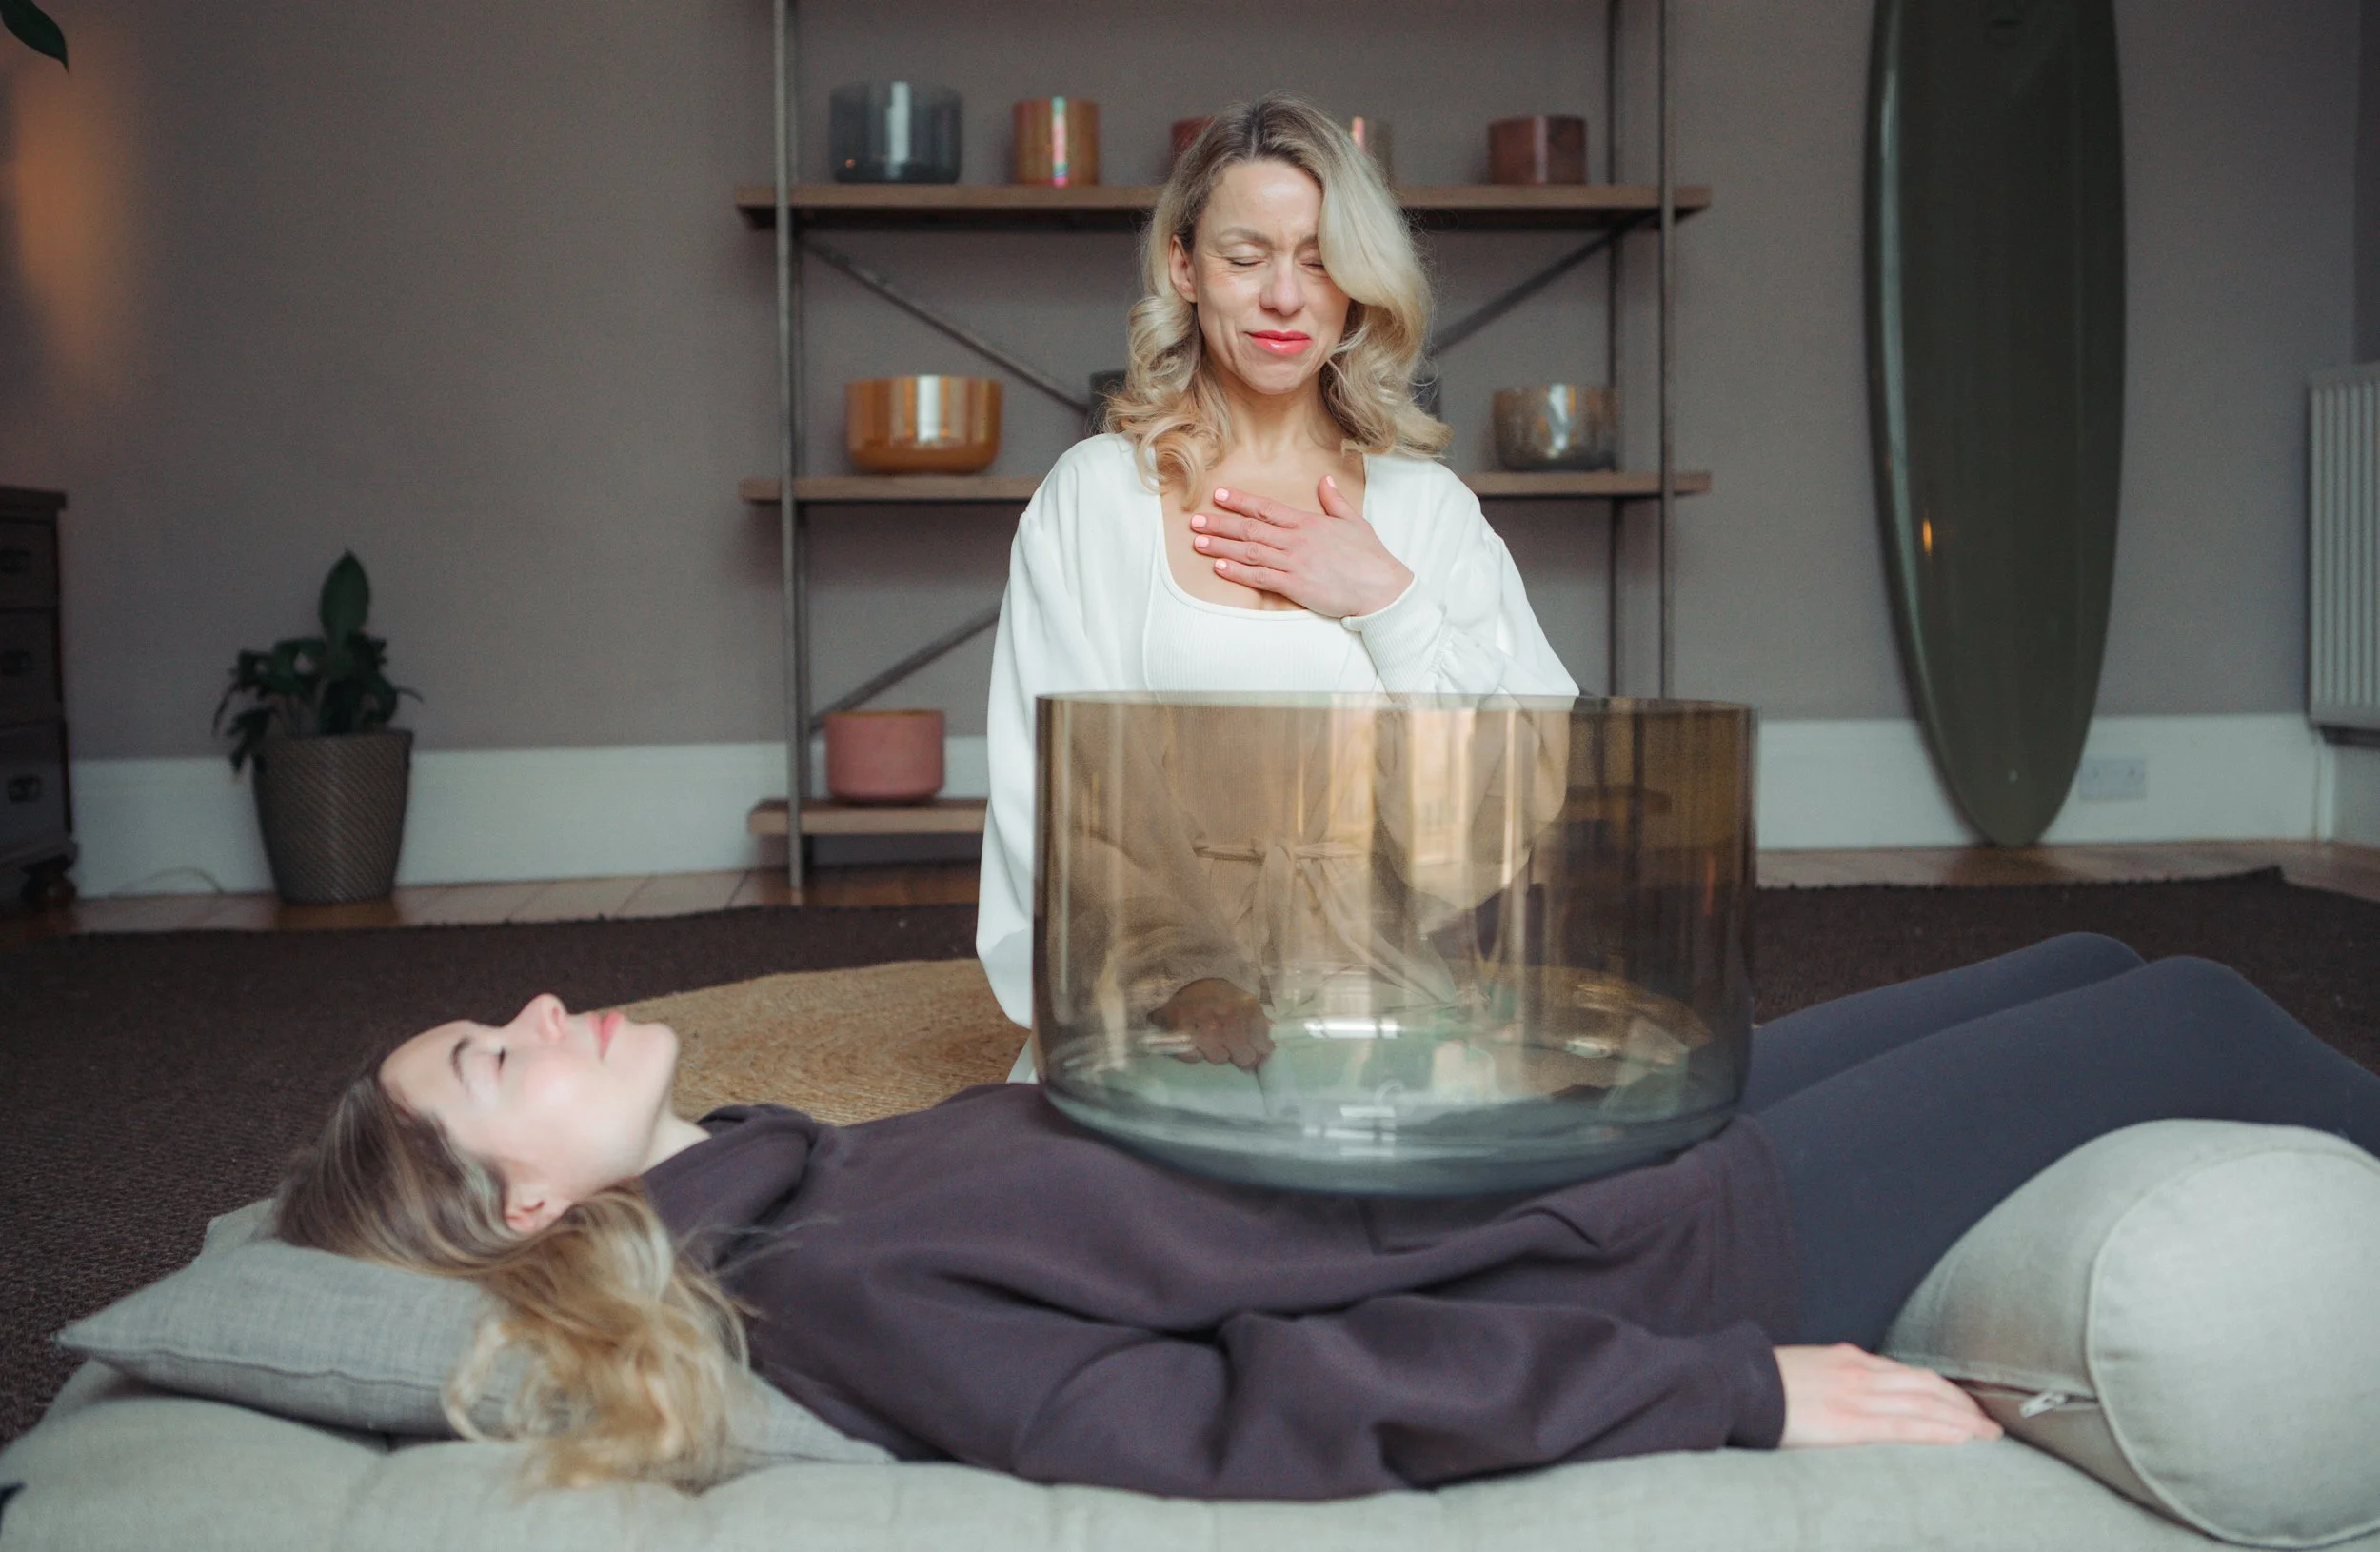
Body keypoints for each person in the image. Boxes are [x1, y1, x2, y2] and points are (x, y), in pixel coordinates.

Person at [277, 934, 2380, 1502]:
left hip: (1580, 1140)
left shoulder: (798, 1167)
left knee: (2100, 958)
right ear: (526, 1196)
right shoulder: (833, 1276)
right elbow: (1254, 1405)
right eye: (493, 1052)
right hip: (1679, 1245)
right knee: (2189, 1009)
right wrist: (1726, 1387)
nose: (542, 1010)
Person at [975, 93, 1578, 1075]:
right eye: (1245, 255)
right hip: (1150, 1005)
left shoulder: (1424, 510)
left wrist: (1389, 601)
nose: (1285, 298)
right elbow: (1056, 793)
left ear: (1356, 284)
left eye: (1317, 257)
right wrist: (1189, 983)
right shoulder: (1095, 500)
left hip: (1373, 994)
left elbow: (1514, 795)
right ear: (1183, 265)